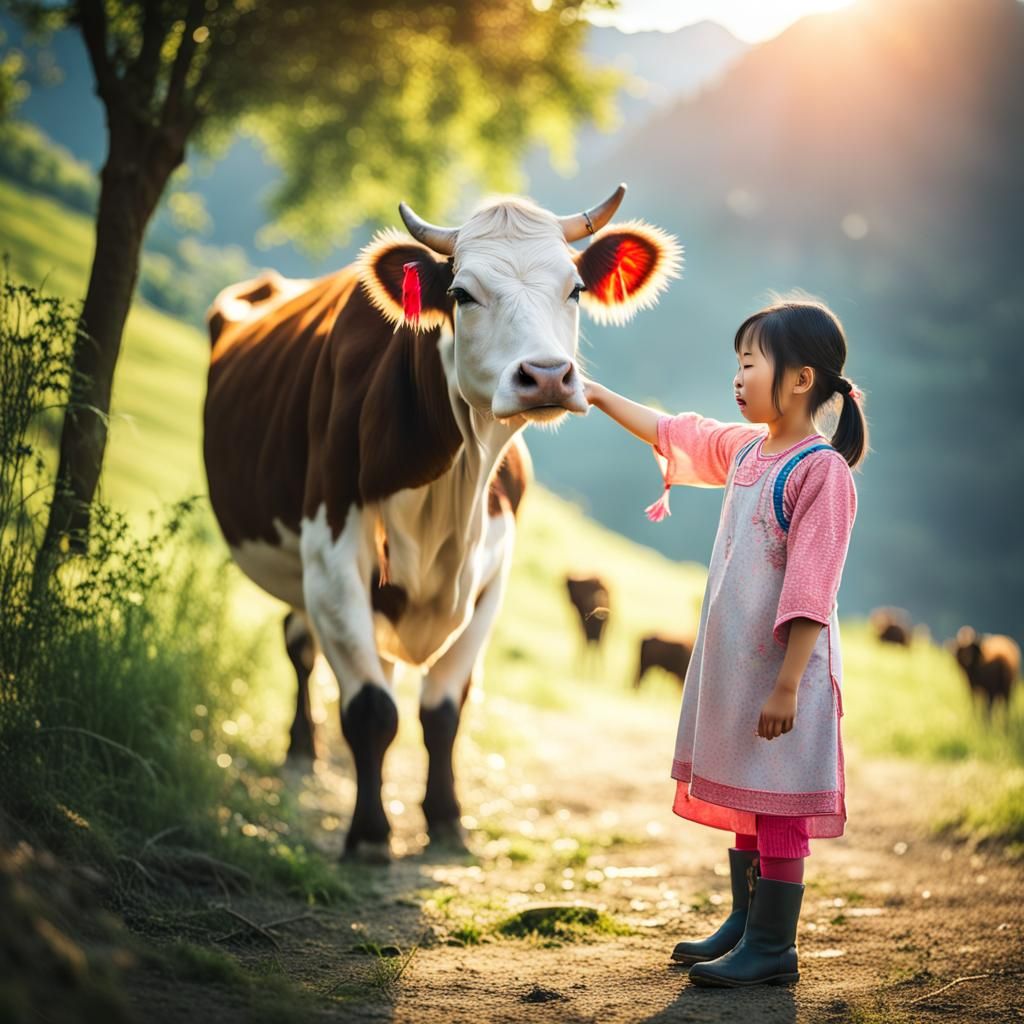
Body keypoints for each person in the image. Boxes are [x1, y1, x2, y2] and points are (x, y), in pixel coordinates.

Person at [584, 298, 868, 988]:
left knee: (779, 806)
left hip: (783, 673)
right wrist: (591, 393)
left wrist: (787, 683)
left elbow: (810, 589)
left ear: (801, 379)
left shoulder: (819, 471)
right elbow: (674, 430)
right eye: (736, 364)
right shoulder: (746, 449)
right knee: (749, 796)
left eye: (751, 363)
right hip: (742, 674)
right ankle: (745, 923)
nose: (737, 378)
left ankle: (774, 945)